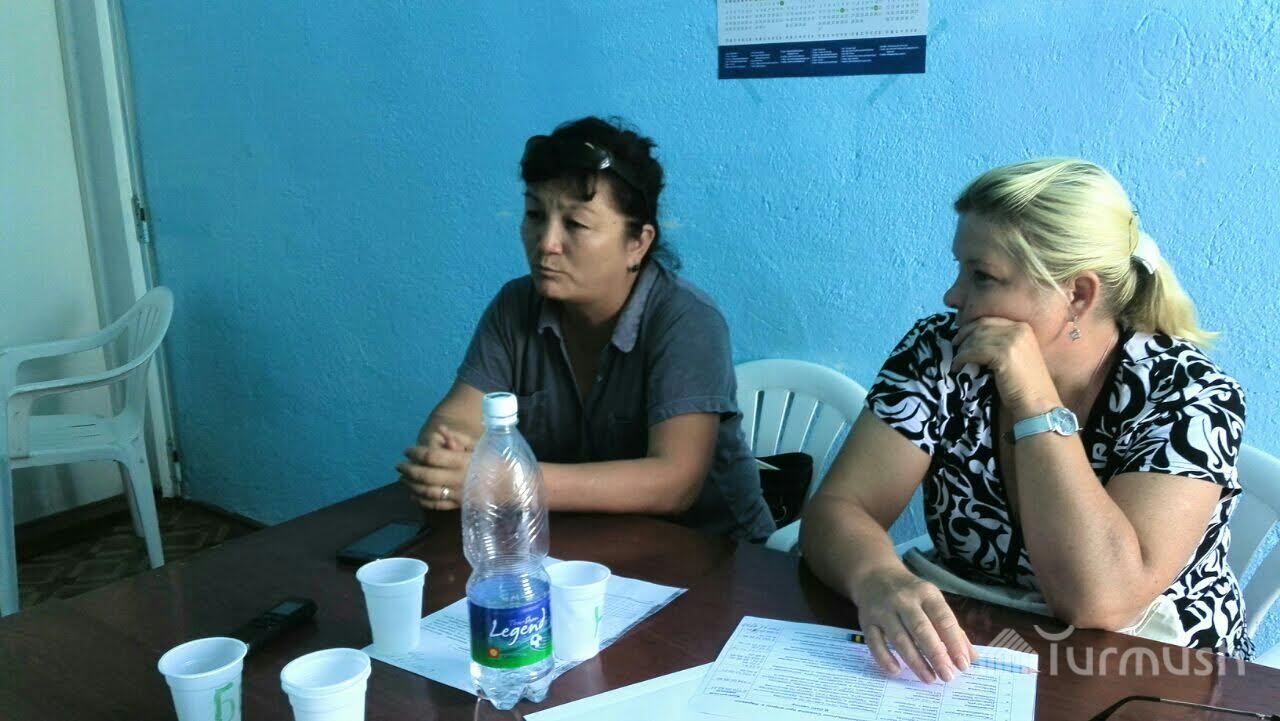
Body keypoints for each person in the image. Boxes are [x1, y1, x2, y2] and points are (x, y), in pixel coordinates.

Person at [801, 159, 1252, 684]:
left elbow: (1100, 602)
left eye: (983, 276)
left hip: (1155, 673)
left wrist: (1034, 400)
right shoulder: (942, 351)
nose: (952, 296)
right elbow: (840, 508)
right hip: (976, 652)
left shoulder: (1190, 396)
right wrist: (877, 577)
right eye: (959, 268)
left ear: (1077, 295)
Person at [397, 116, 775, 542]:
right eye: (535, 215)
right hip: (582, 545)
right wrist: (445, 457)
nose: (546, 243)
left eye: (575, 224)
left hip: (712, 552)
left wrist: (509, 480)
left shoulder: (686, 319)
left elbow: (674, 483)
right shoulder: (515, 305)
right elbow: (455, 420)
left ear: (637, 243)